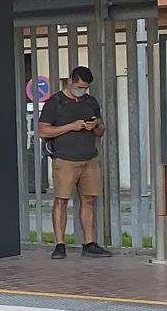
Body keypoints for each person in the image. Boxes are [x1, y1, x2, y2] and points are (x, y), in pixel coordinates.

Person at [37, 66, 111, 259]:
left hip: (89, 159)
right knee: (61, 200)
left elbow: (101, 130)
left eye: (85, 88)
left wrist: (95, 126)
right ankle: (60, 244)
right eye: (79, 87)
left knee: (89, 199)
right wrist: (71, 126)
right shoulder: (55, 102)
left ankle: (89, 243)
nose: (82, 91)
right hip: (65, 159)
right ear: (70, 81)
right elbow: (43, 131)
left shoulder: (91, 102)